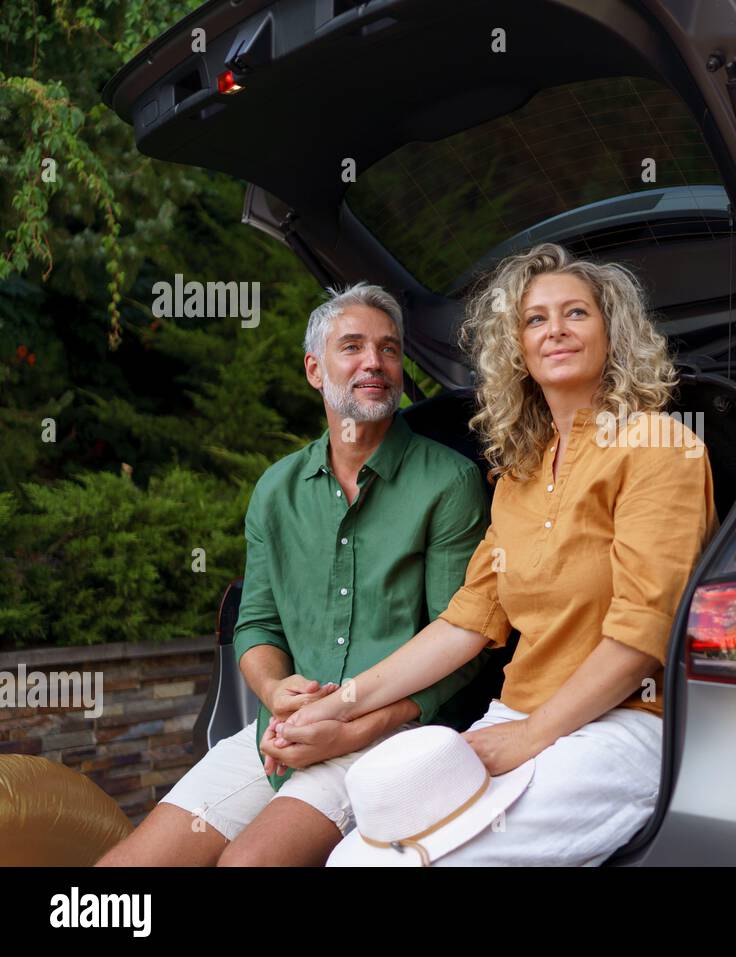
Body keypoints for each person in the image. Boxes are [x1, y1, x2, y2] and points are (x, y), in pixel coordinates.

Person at [280, 242, 719, 865]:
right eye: (535, 319)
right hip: (514, 714)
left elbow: (642, 636)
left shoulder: (659, 449)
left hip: (622, 725)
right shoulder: (519, 475)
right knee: (355, 861)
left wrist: (533, 736)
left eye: (577, 313)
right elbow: (465, 622)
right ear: (515, 347)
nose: (555, 331)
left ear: (612, 332)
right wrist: (339, 701)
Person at [96, 283, 490, 866]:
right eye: (351, 346)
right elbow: (256, 622)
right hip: (278, 731)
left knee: (248, 865)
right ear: (315, 368)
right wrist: (274, 691)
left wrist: (352, 729)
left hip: (391, 736)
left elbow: (461, 646)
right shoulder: (276, 489)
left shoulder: (450, 483)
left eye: (388, 349)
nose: (373, 363)